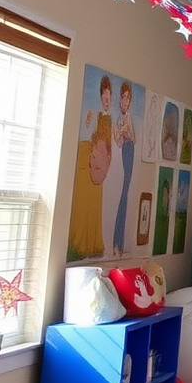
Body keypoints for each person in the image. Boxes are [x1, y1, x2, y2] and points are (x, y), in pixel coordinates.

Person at [67, 74, 113, 260]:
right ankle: (78, 242)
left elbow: (109, 143)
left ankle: (91, 244)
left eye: (109, 98)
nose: (107, 101)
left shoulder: (108, 119)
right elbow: (87, 133)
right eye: (104, 98)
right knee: (82, 204)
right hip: (88, 157)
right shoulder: (94, 115)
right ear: (101, 97)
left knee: (94, 205)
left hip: (99, 163)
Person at [112, 80, 136, 256]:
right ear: (120, 99)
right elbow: (118, 141)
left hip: (130, 154)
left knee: (126, 196)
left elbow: (133, 139)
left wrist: (128, 131)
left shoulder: (130, 118)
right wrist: (122, 132)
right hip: (122, 155)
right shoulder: (117, 119)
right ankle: (115, 241)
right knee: (120, 196)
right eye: (123, 97)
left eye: (128, 98)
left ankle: (120, 242)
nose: (125, 101)